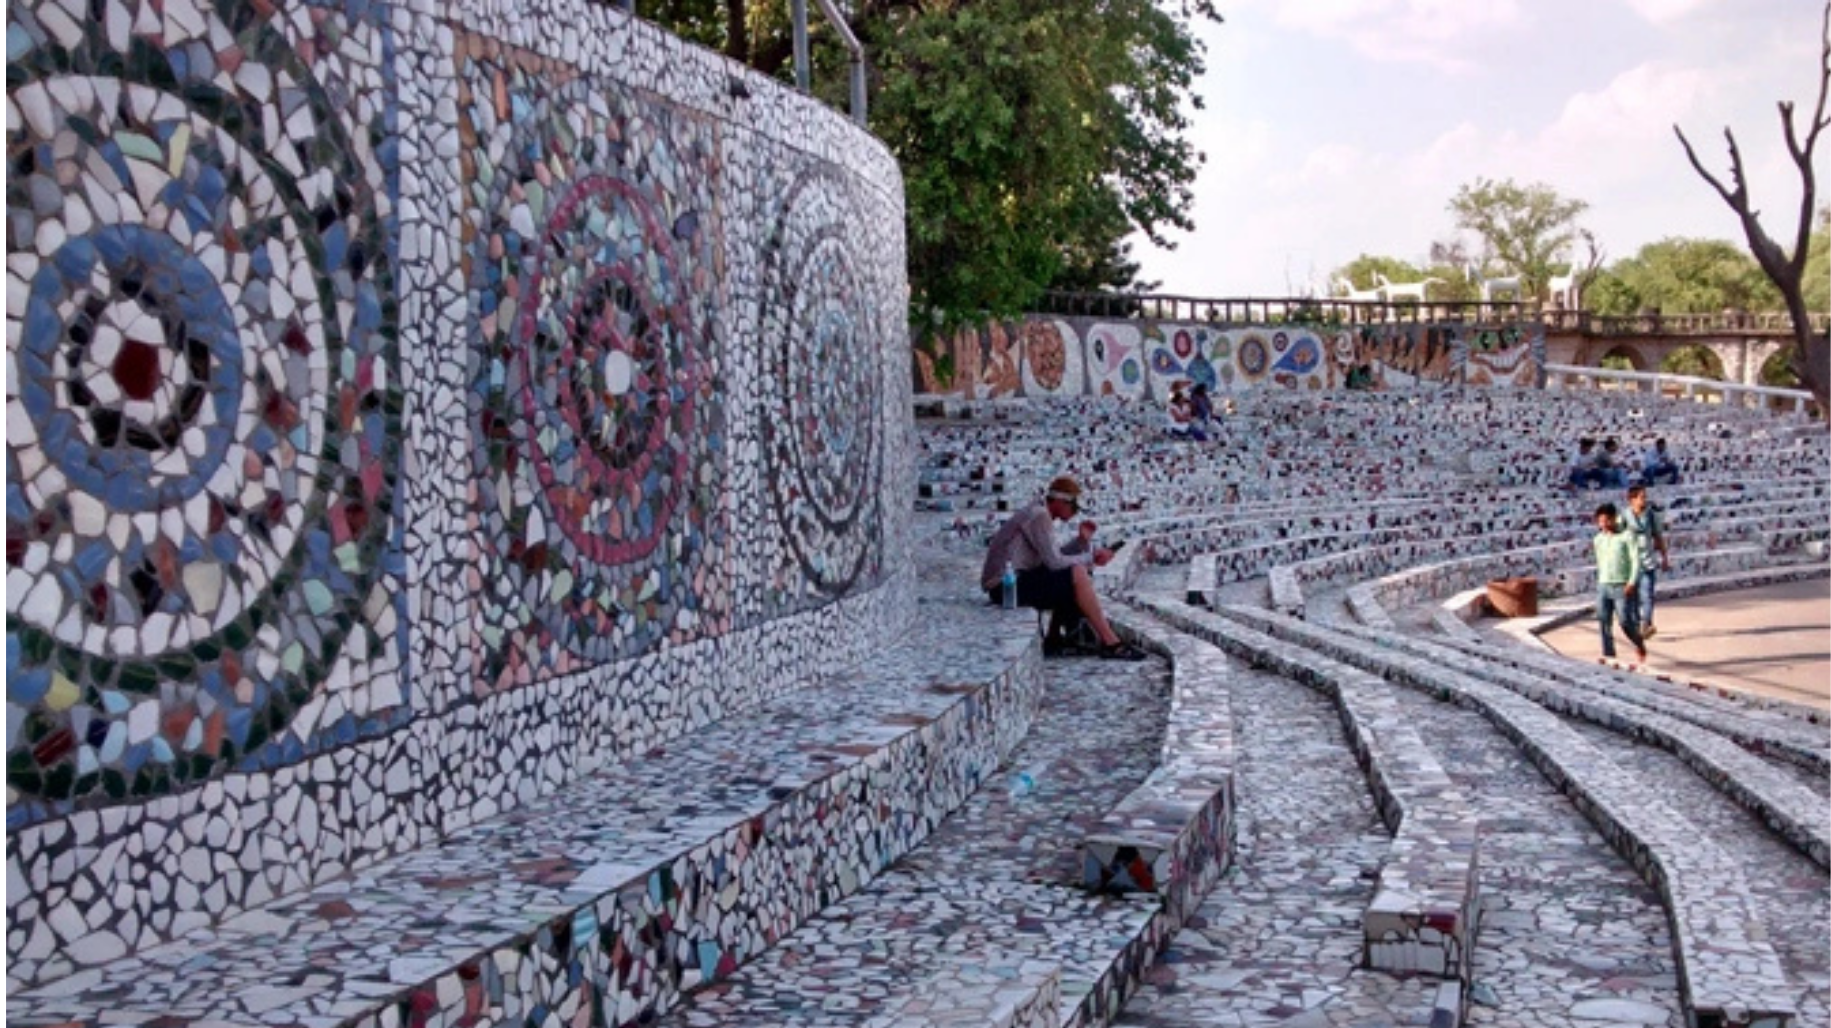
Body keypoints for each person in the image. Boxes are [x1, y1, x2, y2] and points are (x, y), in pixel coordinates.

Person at [980, 475, 1147, 660]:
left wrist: (1081, 542)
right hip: (1004, 586)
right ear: (1060, 501)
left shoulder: (1037, 513)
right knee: (1077, 573)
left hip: (1010, 583)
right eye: (1073, 506)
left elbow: (1053, 556)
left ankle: (1055, 637)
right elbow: (1054, 562)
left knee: (1074, 573)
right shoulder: (1039, 516)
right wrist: (1091, 557)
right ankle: (1111, 642)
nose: (1075, 512)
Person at [1593, 502, 1647, 664]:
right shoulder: (1598, 539)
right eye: (1600, 521)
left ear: (1613, 519)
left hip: (1621, 585)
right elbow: (1600, 561)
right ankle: (1609, 654)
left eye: (1606, 521)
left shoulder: (1626, 537)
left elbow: (1635, 560)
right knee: (1603, 620)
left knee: (1624, 620)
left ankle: (1638, 642)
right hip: (1604, 584)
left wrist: (1631, 581)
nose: (1603, 525)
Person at [1619, 485, 1671, 638]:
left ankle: (1646, 623)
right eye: (1641, 497)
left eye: (1645, 497)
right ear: (1632, 500)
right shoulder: (1624, 516)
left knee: (1647, 595)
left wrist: (1664, 557)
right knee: (1633, 598)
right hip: (1630, 564)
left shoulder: (1650, 515)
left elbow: (1658, 536)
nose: (1644, 500)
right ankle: (1638, 625)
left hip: (1647, 561)